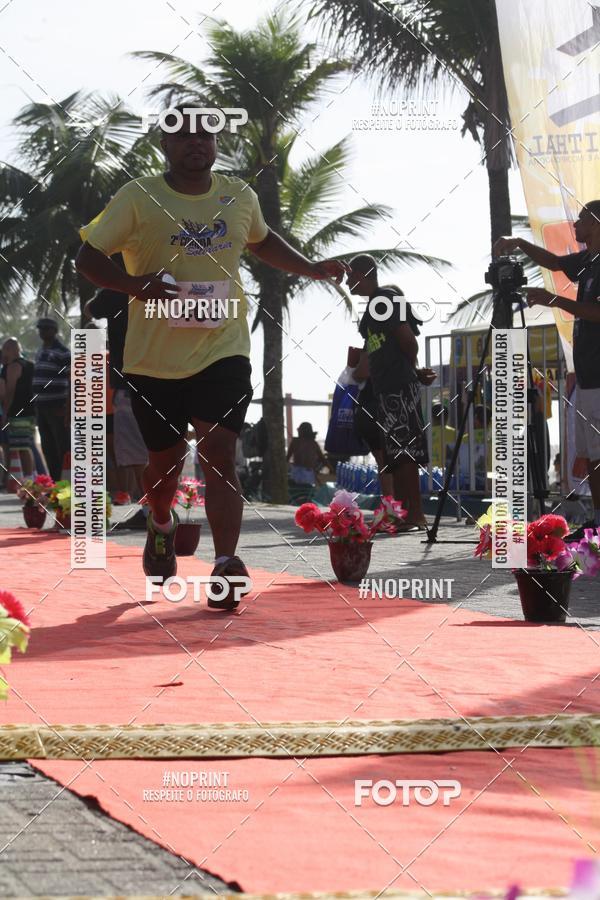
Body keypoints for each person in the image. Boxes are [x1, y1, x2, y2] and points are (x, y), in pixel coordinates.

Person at [75, 105, 345, 607]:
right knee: (164, 469)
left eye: (206, 135)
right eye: (183, 136)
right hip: (153, 360)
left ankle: (225, 564)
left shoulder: (239, 196)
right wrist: (135, 286)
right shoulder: (138, 197)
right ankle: (161, 521)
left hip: (224, 349)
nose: (196, 142)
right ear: (165, 145)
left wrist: (310, 268)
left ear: (217, 143)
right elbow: (87, 256)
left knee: (220, 453)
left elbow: (263, 241)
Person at [495, 200, 600, 540]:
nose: (576, 225)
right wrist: (518, 243)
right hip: (587, 377)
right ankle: (597, 523)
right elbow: (554, 262)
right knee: (592, 455)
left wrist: (552, 300)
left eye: (582, 219)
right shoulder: (588, 261)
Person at [347, 254, 436, 529]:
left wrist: (410, 372)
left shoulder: (383, 300)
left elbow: (408, 341)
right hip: (385, 390)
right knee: (395, 454)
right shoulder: (373, 307)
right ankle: (406, 514)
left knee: (405, 452)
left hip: (398, 388)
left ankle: (416, 514)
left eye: (351, 275)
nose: (347, 281)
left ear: (363, 274)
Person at [85, 286, 149, 523]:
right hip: (163, 377)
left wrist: (107, 286)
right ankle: (156, 509)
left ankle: (152, 511)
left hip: (129, 382)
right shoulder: (159, 279)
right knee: (155, 450)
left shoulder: (117, 287)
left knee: (135, 454)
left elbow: (89, 309)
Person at [32, 318, 70, 482]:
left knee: (62, 446)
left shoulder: (63, 352)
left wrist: (68, 407)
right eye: (41, 329)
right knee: (48, 447)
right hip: (41, 406)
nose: (43, 332)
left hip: (58, 406)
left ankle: (67, 482)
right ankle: (54, 481)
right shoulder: (40, 351)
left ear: (54, 331)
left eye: (46, 329)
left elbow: (72, 380)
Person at [0, 338, 36, 481]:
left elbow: (9, 391)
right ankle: (31, 476)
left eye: (4, 350)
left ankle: (28, 478)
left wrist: (5, 413)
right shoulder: (31, 365)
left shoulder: (13, 366)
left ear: (10, 349)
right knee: (26, 445)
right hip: (30, 412)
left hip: (18, 412)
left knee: (22, 448)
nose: (3, 354)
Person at [287, 422, 327, 486]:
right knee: (307, 491)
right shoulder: (313, 443)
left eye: (299, 430)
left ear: (301, 431)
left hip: (296, 474)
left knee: (295, 490)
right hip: (308, 474)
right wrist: (332, 470)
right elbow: (323, 459)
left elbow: (287, 458)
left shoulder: (295, 442)